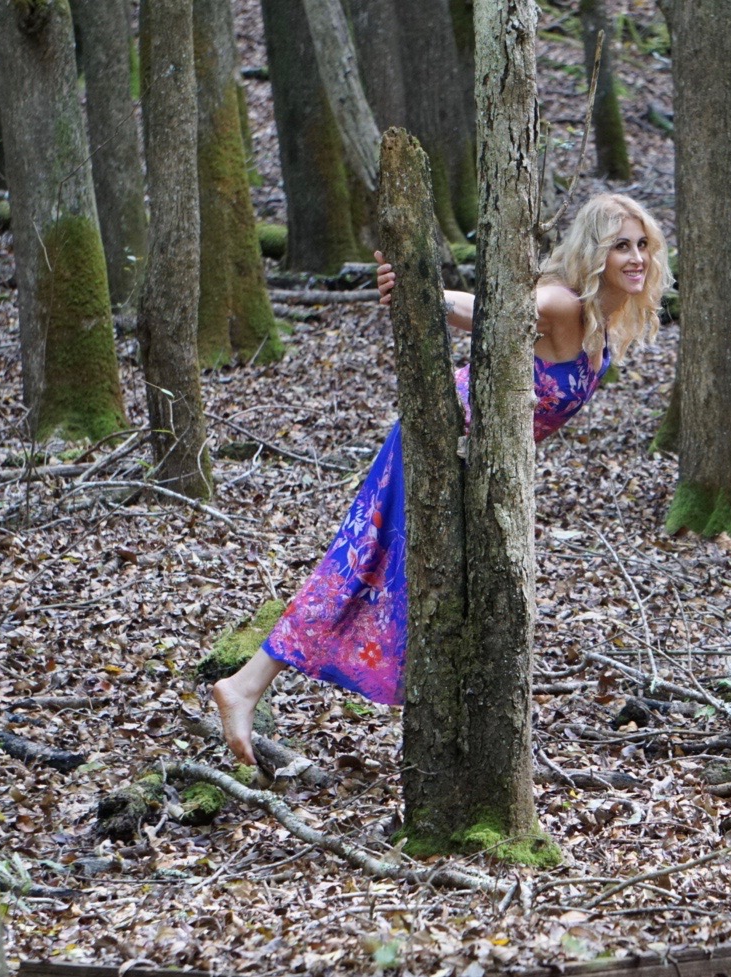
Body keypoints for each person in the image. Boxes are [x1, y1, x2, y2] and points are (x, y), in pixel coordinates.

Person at [214, 193, 672, 765]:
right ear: (596, 253)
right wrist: (420, 292)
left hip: (475, 465)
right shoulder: (561, 304)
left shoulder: (607, 319)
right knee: (363, 565)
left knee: (419, 578)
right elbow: (492, 311)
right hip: (437, 441)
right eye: (621, 246)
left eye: (642, 245)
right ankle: (245, 686)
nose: (636, 258)